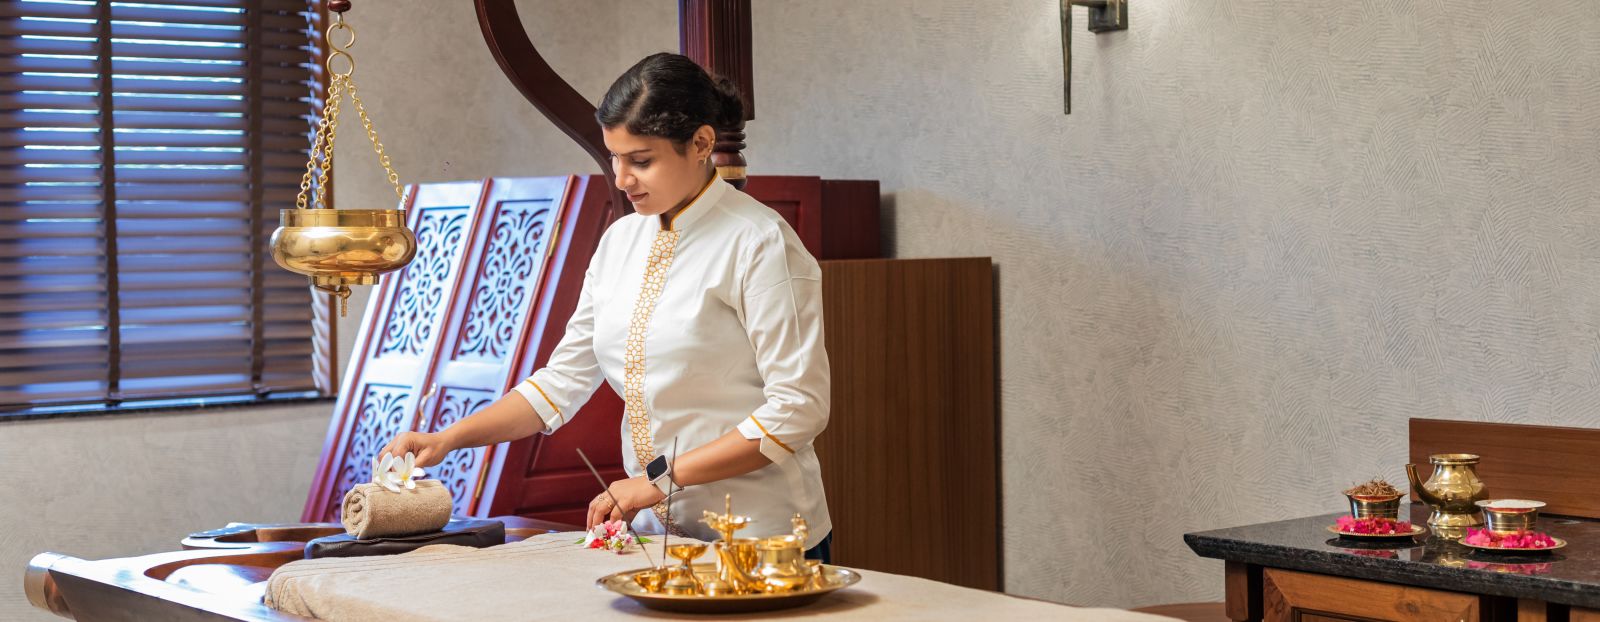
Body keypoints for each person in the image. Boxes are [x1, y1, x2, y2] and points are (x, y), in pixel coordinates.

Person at [379, 52, 833, 561]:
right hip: (661, 536)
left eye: (641, 160)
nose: (621, 178)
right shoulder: (619, 241)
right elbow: (560, 383)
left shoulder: (760, 242)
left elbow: (798, 408)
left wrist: (656, 480)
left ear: (702, 143)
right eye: (614, 157)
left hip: (761, 535)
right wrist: (448, 438)